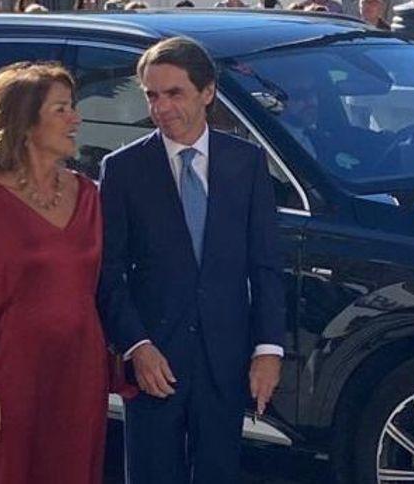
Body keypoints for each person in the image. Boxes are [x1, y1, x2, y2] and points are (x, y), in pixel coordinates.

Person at [97, 37, 286, 484]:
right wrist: (136, 346)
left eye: (174, 93)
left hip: (226, 360)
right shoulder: (124, 170)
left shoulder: (247, 164)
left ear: (207, 92)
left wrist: (268, 351)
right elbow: (107, 271)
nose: (161, 107)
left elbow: (265, 266)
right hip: (154, 363)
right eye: (152, 95)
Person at [0, 61, 109, 484]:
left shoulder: (89, 196)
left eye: (73, 107)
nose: (75, 119)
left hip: (81, 372)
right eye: (61, 109)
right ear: (26, 123)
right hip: (12, 372)